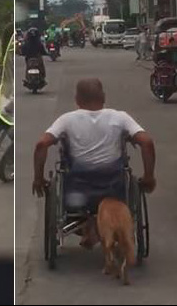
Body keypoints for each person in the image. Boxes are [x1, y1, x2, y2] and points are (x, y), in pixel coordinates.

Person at [32, 79, 156, 243]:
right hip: (114, 189)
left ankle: (87, 226)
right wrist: (149, 177)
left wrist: (38, 179)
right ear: (103, 97)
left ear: (76, 100)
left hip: (77, 193)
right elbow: (146, 142)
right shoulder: (120, 117)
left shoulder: (66, 120)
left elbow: (41, 144)